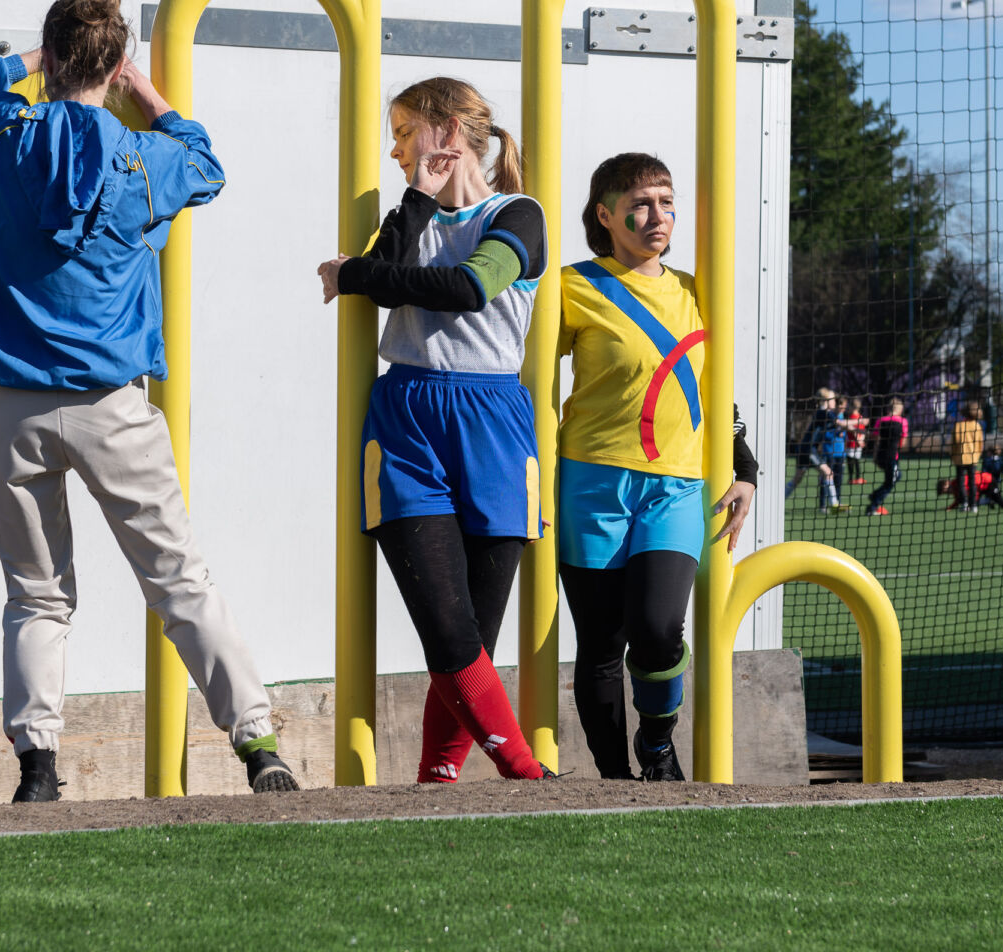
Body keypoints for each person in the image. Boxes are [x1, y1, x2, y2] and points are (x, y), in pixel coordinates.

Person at [0, 0, 297, 801]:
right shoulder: (144, 156)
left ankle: (39, 767)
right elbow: (205, 159)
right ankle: (259, 744)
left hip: (8, 408)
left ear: (53, 57)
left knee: (37, 595)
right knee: (178, 580)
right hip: (113, 407)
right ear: (115, 60)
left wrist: (37, 55)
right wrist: (140, 85)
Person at [317, 77, 554, 784]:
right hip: (407, 419)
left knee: (475, 635)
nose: (394, 151)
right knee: (445, 628)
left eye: (403, 132)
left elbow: (470, 289)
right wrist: (414, 201)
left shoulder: (520, 214)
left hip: (493, 423)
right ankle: (523, 771)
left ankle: (436, 778)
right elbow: (386, 276)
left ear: (448, 130)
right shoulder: (411, 215)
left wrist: (358, 274)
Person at [556, 153, 758, 781]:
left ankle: (657, 745)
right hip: (591, 483)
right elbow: (523, 372)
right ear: (605, 215)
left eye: (667, 202)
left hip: (676, 486)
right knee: (599, 647)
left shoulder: (698, 291)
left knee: (659, 626)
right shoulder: (571, 287)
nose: (657, 216)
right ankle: (614, 781)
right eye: (640, 203)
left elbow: (708, 389)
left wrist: (743, 466)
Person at [784, 389, 834, 503]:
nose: (834, 402)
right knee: (828, 473)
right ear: (827, 400)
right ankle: (834, 504)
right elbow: (840, 423)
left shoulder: (823, 413)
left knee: (797, 479)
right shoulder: (824, 413)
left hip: (805, 448)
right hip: (808, 450)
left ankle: (779, 501)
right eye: (833, 399)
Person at [864, 398, 909, 516]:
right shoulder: (902, 421)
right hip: (892, 456)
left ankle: (875, 497)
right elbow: (902, 443)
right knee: (892, 480)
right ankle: (873, 504)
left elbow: (875, 437)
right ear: (899, 409)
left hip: (881, 455)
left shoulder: (881, 420)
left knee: (893, 478)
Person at [815, 392, 850, 515]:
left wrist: (843, 433)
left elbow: (845, 432)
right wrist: (836, 433)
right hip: (829, 452)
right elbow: (824, 433)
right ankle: (822, 505)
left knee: (838, 480)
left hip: (840, 453)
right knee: (826, 479)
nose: (844, 408)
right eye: (843, 405)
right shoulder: (829, 416)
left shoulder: (841, 417)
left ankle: (836, 503)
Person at [952, 401, 985, 514]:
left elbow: (954, 443)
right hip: (973, 459)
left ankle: (965, 504)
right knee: (972, 482)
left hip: (960, 458)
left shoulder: (958, 425)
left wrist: (953, 455)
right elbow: (980, 444)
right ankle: (974, 505)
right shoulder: (977, 426)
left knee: (961, 482)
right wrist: (977, 455)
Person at [978, 445, 1003, 510]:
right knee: (989, 498)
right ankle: (991, 501)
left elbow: (983, 473)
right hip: (990, 485)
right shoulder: (999, 460)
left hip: (992, 485)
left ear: (990, 452)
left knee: (1002, 504)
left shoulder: (988, 461)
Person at [846, 398, 869, 484]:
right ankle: (858, 478)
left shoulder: (851, 418)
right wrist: (861, 440)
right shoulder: (861, 418)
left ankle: (852, 478)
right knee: (856, 461)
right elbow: (863, 431)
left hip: (852, 443)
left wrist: (859, 440)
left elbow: (854, 431)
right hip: (857, 443)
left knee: (851, 461)